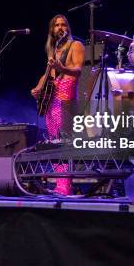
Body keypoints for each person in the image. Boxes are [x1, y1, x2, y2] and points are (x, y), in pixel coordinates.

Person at [31, 14, 84, 195]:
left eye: (63, 25)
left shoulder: (75, 45)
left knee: (64, 141)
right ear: (52, 30)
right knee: (54, 140)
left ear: (68, 28)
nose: (60, 27)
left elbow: (77, 70)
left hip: (66, 93)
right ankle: (59, 184)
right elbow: (49, 74)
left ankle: (65, 186)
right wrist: (38, 87)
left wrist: (63, 69)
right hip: (52, 98)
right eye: (56, 25)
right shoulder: (53, 49)